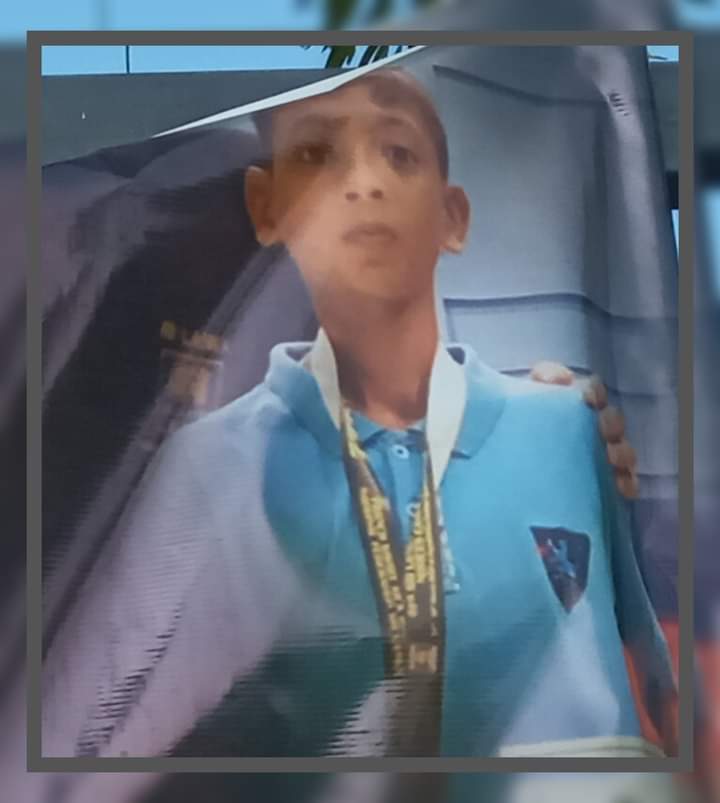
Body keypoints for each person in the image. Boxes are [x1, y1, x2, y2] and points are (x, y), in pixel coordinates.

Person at [41, 67, 674, 762]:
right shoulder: (205, 470)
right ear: (267, 207)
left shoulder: (564, 426)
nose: (364, 182)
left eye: (398, 154)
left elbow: (661, 693)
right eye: (318, 154)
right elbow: (85, 738)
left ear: (453, 217)